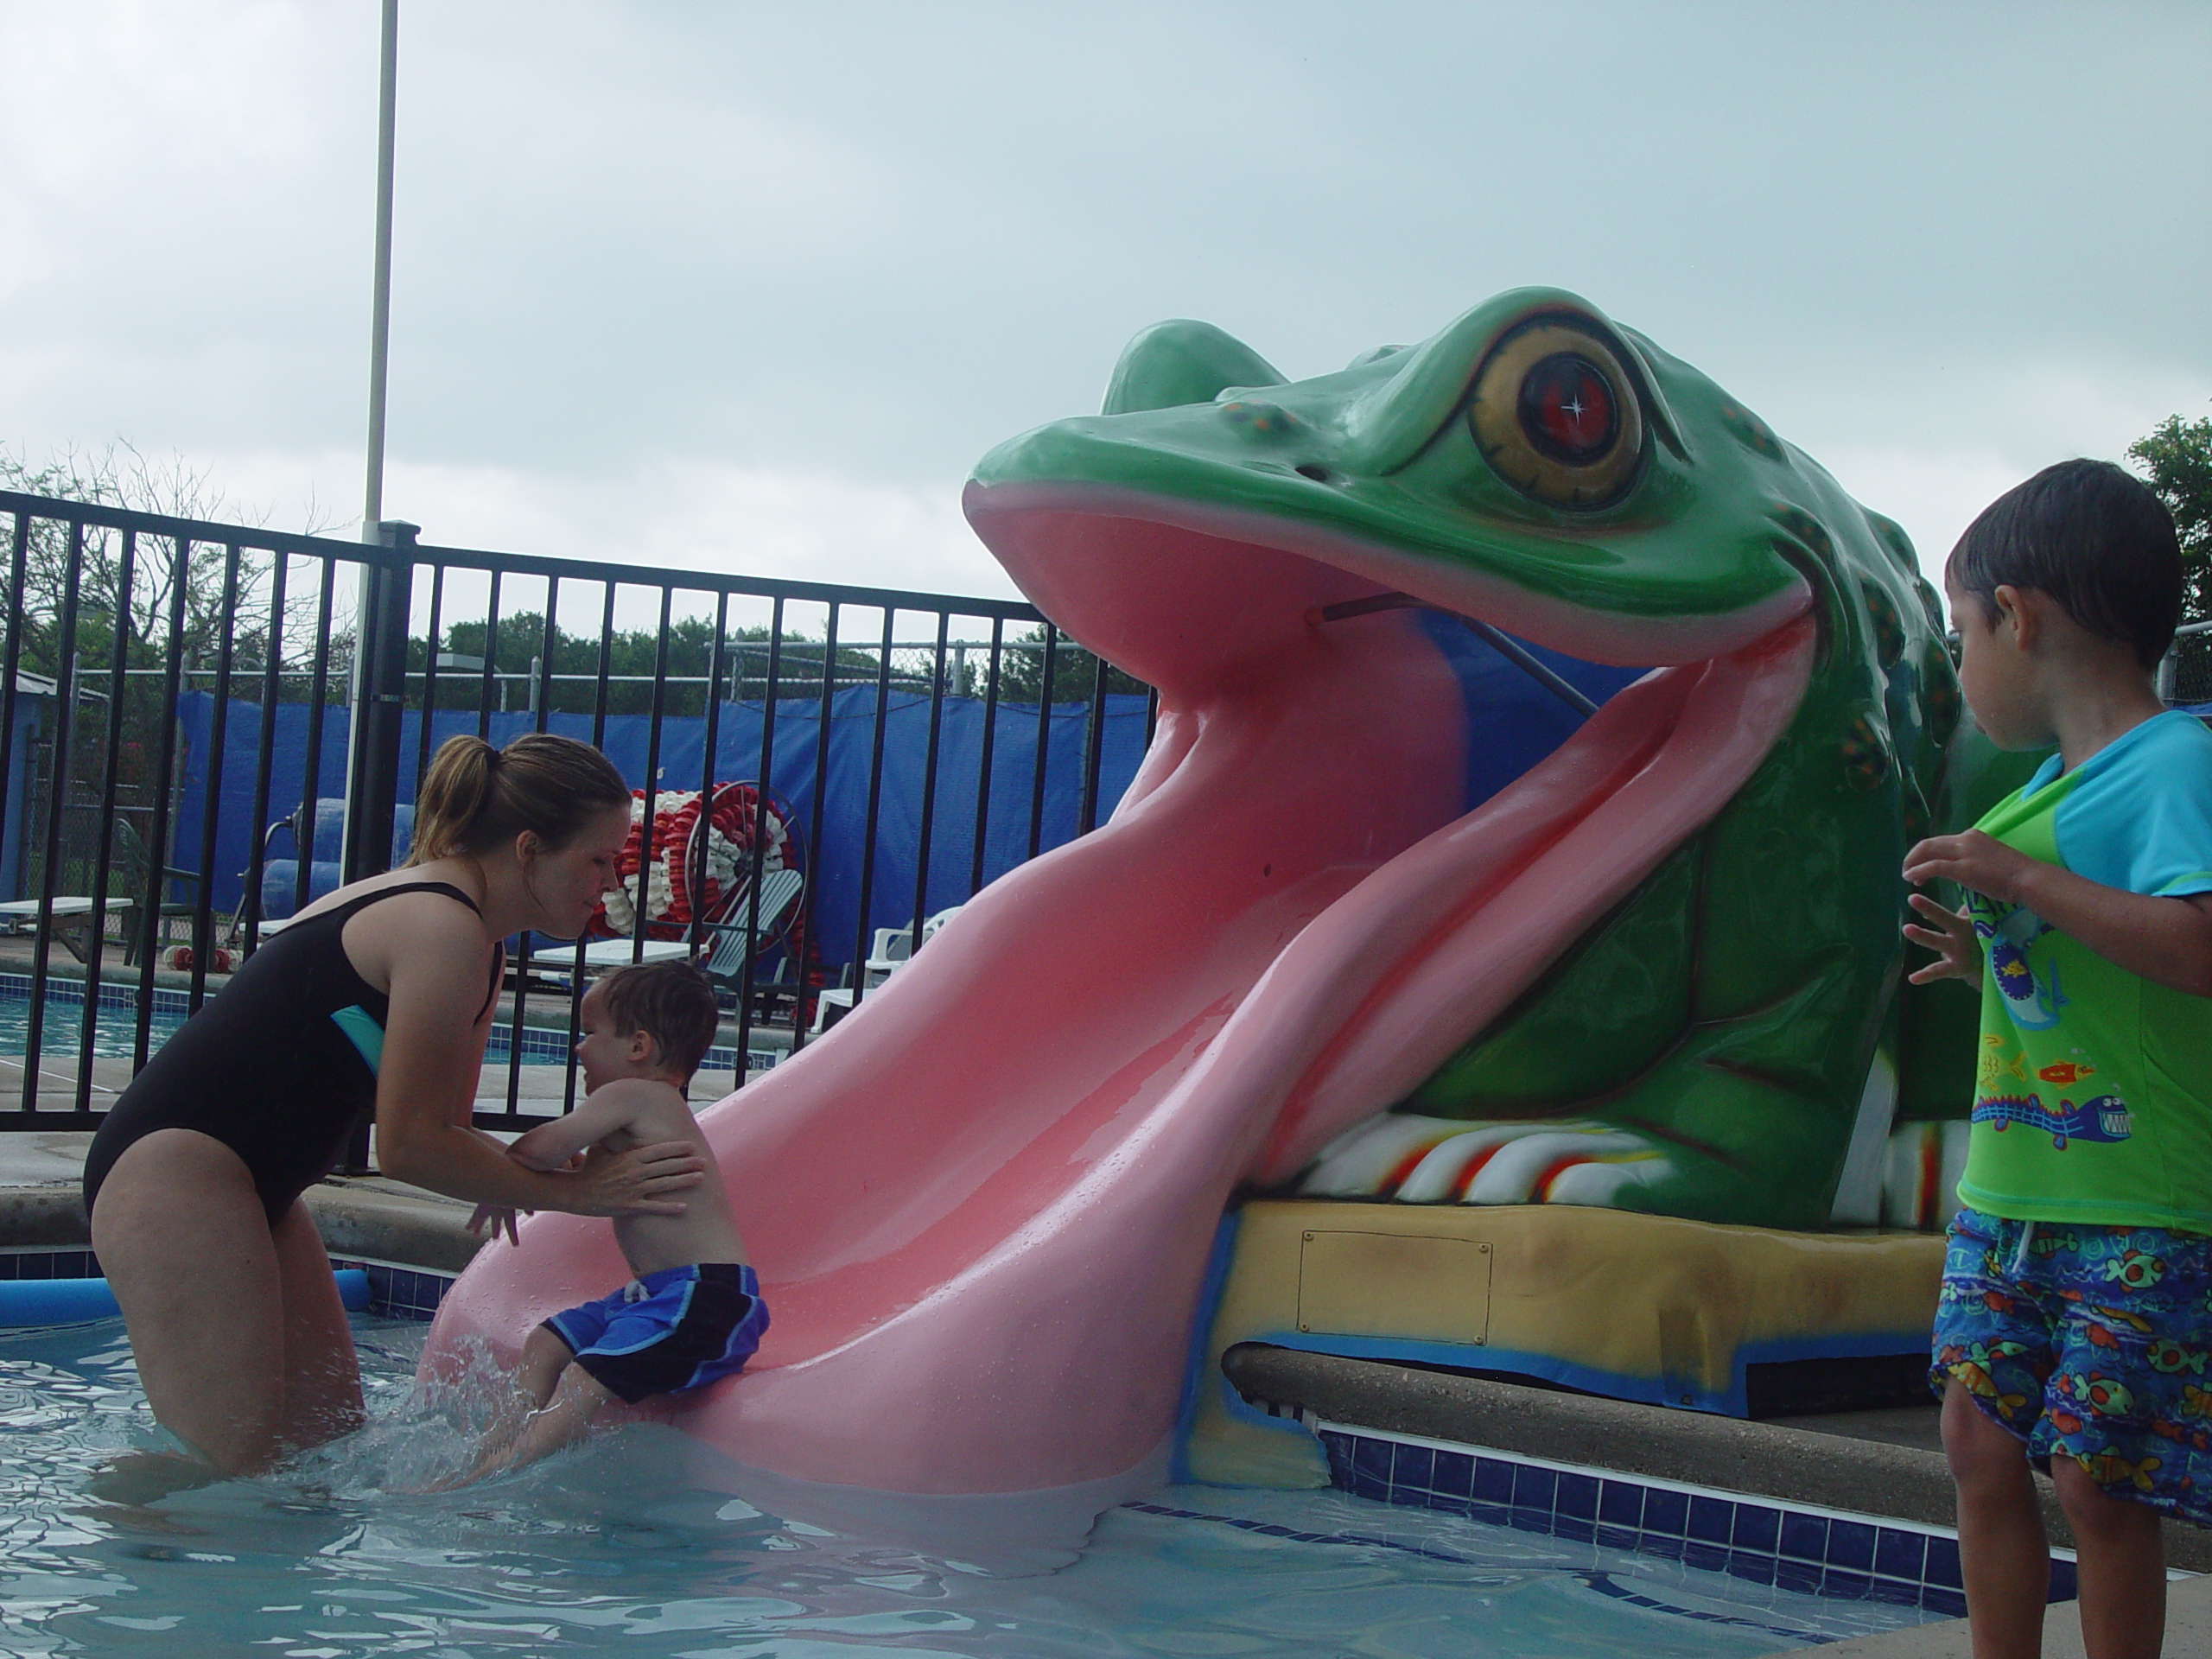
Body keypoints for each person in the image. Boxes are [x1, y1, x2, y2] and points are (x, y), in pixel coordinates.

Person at [82, 733, 706, 1491]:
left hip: (254, 1192)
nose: (612, 881)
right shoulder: (440, 926)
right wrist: (578, 1197)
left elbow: (436, 1124)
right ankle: (101, 1580)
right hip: (176, 1176)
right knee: (223, 1475)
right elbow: (407, 1148)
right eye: (599, 859)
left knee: (323, 1454)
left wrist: (509, 1169)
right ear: (530, 848)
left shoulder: (478, 940)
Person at [1903, 459, 2212, 1659]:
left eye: (1964, 629)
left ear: (2019, 617)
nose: (1962, 659)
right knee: (1978, 1445)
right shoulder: (2043, 794)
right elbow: (2105, 979)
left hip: (2142, 1205)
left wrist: (2020, 883)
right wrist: (1995, 965)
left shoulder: (2173, 766)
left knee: (2099, 1480)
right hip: (2014, 1193)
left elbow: (2195, 944)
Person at [446, 960, 760, 1484]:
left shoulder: (632, 1095)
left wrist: (503, 1178)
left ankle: (483, 1478)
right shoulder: (646, 1111)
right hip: (659, 1295)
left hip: (706, 1301)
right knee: (546, 1343)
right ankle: (488, 1452)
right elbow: (571, 1165)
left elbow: (540, 1149)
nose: (579, 1048)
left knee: (582, 1380)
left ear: (638, 1047)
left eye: (589, 1033)